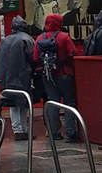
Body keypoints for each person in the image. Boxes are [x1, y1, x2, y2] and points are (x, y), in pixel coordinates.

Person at [33, 13, 78, 142]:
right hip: (65, 73)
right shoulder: (64, 37)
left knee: (52, 103)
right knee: (69, 103)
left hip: (47, 75)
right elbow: (73, 52)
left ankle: (54, 133)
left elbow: (36, 58)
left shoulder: (39, 38)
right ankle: (70, 133)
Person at [0, 16, 36, 140]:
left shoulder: (4, 41)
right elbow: (33, 58)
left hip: (6, 76)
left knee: (13, 103)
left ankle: (17, 130)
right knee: (24, 102)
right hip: (23, 75)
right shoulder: (27, 39)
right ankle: (22, 129)